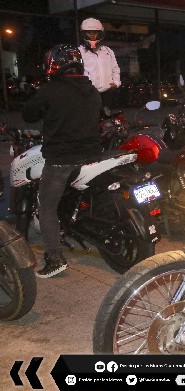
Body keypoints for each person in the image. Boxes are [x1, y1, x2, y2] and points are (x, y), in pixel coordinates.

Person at [22, 44, 103, 278]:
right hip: (92, 156)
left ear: (53, 64)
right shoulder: (92, 90)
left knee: (47, 208)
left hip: (61, 159)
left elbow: (28, 114)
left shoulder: (50, 90)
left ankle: (55, 258)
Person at [78, 17, 121, 108]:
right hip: (88, 94)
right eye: (89, 32)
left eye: (95, 32)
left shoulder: (108, 51)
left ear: (100, 33)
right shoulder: (78, 52)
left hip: (106, 93)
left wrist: (116, 82)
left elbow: (115, 69)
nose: (92, 35)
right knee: (90, 115)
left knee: (105, 115)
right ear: (83, 33)